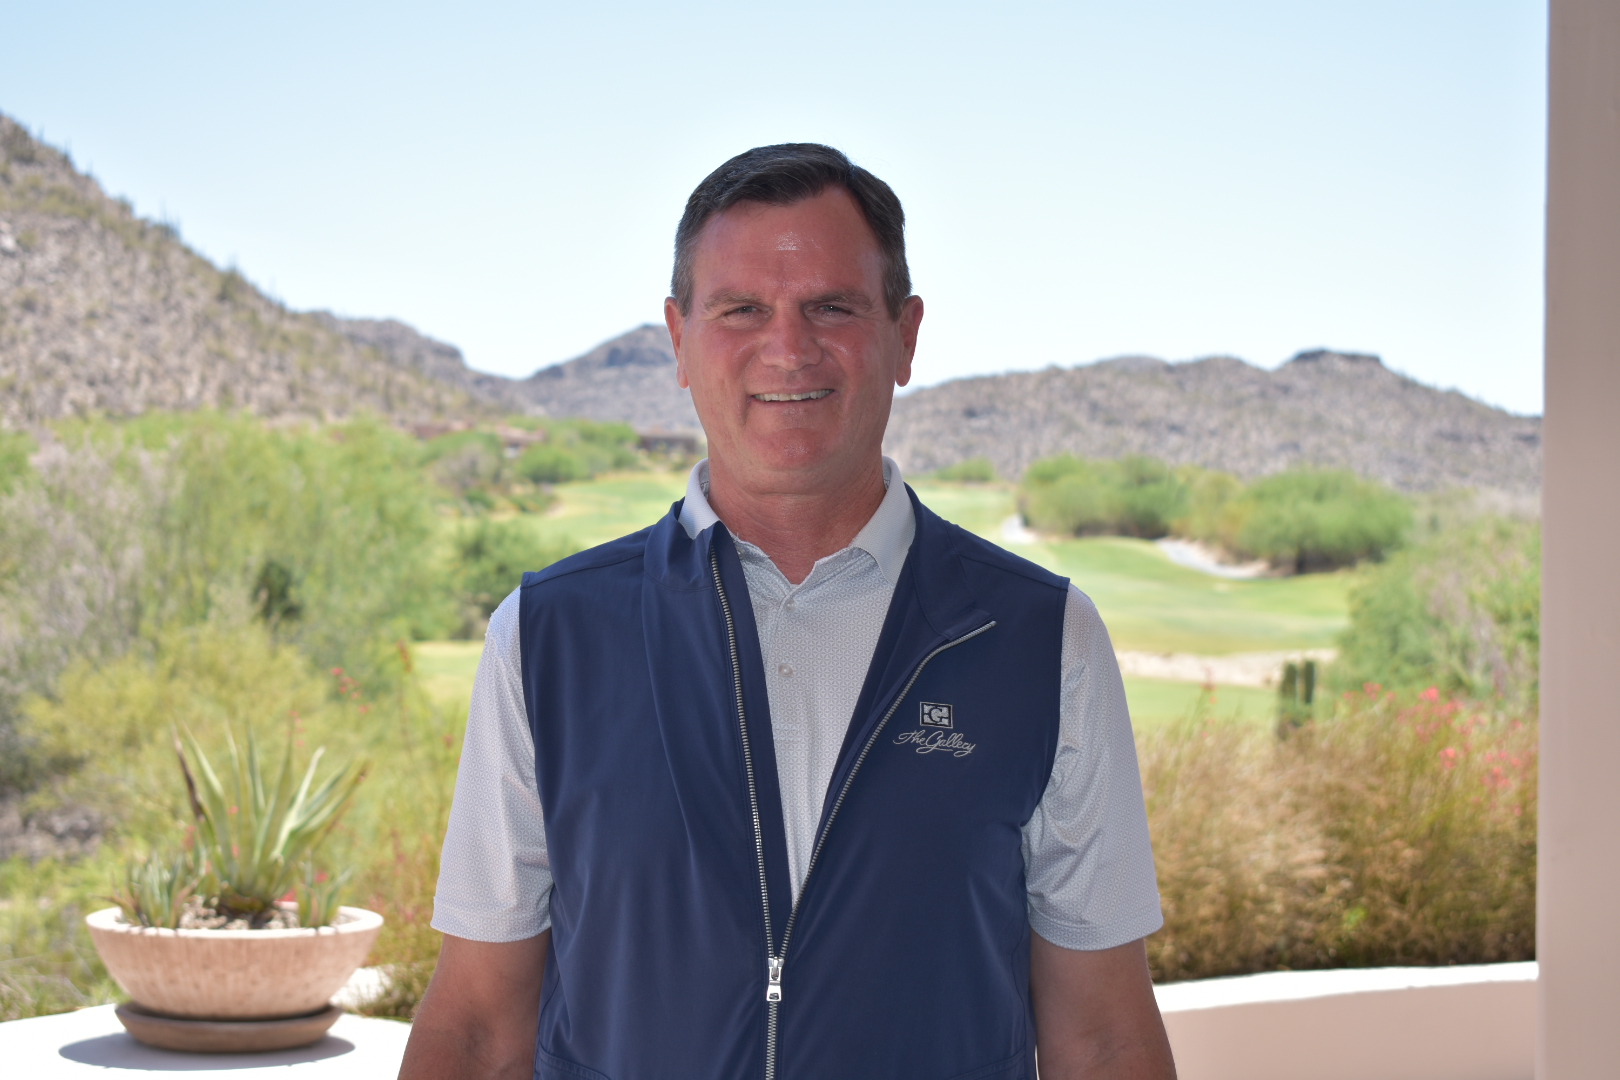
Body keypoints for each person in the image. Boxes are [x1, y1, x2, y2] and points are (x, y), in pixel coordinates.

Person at [399, 144, 1176, 1080]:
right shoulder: (546, 636)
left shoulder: (1041, 640)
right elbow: (480, 1026)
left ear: (905, 334)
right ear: (680, 340)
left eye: (833, 307)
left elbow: (1102, 1036)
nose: (789, 348)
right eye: (741, 311)